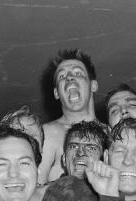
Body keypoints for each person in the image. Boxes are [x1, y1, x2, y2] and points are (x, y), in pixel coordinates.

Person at [39, 50, 99, 184]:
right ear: (56, 92)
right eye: (62, 76)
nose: (69, 78)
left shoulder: (111, 134)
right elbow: (33, 193)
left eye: (78, 73)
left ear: (93, 85)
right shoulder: (47, 134)